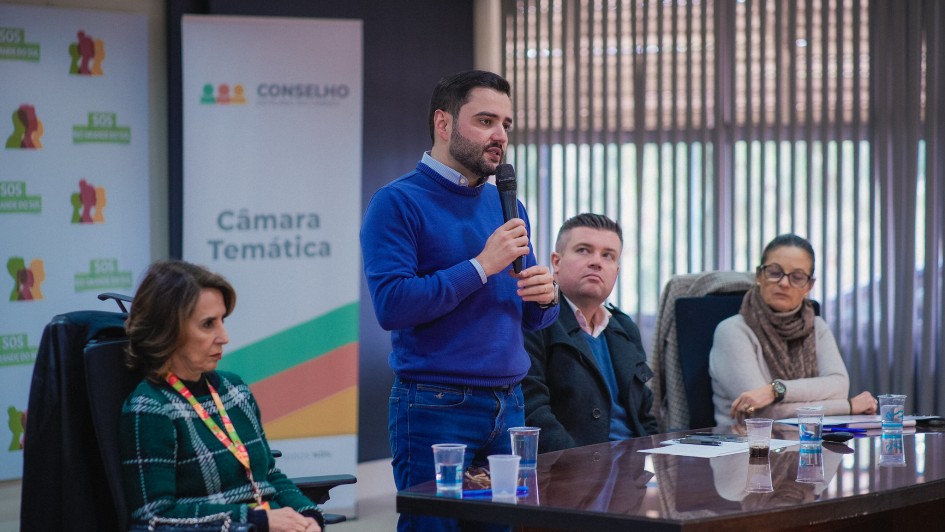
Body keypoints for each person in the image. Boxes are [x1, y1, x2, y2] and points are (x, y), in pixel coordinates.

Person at [360, 70, 559, 531]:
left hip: (509, 404)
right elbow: (392, 305)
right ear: (443, 123)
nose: (500, 136)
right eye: (486, 120)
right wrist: (481, 265)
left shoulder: (507, 203)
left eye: (507, 124)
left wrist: (546, 297)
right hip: (434, 406)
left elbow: (528, 316)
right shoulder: (397, 202)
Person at [119, 260, 323, 532]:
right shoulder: (151, 408)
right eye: (208, 324)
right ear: (168, 330)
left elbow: (269, 475)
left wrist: (308, 515)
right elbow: (154, 518)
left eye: (222, 320)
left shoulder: (234, 389)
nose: (224, 336)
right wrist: (253, 520)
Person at [709, 233, 877, 426]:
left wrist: (774, 391)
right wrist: (847, 406)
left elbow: (838, 385)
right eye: (774, 272)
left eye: (797, 277)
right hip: (744, 446)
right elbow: (763, 413)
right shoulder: (732, 331)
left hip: (810, 442)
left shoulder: (816, 327)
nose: (784, 283)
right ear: (759, 276)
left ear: (809, 286)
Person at [523, 213, 658, 452]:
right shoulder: (535, 321)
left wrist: (659, 461)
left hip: (633, 473)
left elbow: (644, 417)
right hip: (570, 470)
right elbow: (532, 411)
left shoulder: (625, 329)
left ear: (616, 271)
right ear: (556, 262)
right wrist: (578, 466)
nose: (597, 262)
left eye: (608, 255)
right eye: (584, 250)